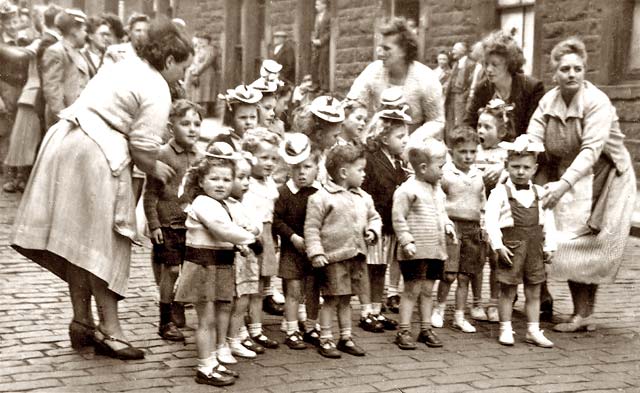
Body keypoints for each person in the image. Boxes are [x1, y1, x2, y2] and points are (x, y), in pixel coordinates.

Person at [11, 17, 194, 359]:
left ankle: (82, 323)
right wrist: (157, 167)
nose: (181, 76)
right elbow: (142, 148)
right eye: (182, 67)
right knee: (104, 244)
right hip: (96, 153)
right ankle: (111, 330)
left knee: (78, 242)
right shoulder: (156, 88)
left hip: (66, 139)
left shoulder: (126, 64)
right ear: (170, 60)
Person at [526, 38, 636, 333]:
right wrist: (518, 171)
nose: (572, 74)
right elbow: (533, 142)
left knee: (591, 242)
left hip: (607, 175)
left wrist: (561, 186)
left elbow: (591, 151)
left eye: (578, 68)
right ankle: (581, 313)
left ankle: (583, 313)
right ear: (555, 74)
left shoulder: (597, 102)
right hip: (571, 176)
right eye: (565, 69)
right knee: (569, 240)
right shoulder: (547, 103)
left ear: (585, 71)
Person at [175, 145, 254, 387]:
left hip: (219, 266)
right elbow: (222, 229)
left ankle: (211, 360)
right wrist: (248, 238)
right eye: (214, 179)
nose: (220, 184)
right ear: (202, 180)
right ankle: (204, 366)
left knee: (214, 315)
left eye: (226, 179)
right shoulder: (202, 203)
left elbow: (245, 224)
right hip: (202, 267)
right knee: (206, 320)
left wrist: (246, 235)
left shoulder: (227, 204)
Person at [305, 144, 382, 358]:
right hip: (333, 258)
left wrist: (373, 231)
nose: (364, 174)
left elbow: (375, 217)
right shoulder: (321, 197)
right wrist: (316, 252)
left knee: (347, 299)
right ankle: (326, 338)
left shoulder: (364, 197)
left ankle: (346, 337)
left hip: (356, 256)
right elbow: (312, 228)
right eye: (360, 170)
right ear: (344, 173)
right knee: (331, 299)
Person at [484, 135, 556, 348]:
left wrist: (550, 245)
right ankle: (505, 328)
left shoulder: (540, 193)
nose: (520, 171)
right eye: (515, 166)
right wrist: (498, 245)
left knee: (534, 290)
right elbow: (490, 221)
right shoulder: (500, 193)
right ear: (507, 166)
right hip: (511, 248)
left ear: (535, 168)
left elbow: (549, 221)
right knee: (508, 290)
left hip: (534, 248)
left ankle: (533, 330)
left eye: (526, 167)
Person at [143, 99, 204, 342]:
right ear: (171, 127)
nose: (192, 129)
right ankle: (165, 320)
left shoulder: (200, 156)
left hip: (189, 225)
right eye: (185, 123)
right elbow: (150, 195)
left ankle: (178, 303)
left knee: (189, 270)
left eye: (197, 124)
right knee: (170, 270)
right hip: (168, 225)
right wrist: (154, 224)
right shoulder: (162, 155)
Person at [392, 137, 455, 350]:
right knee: (411, 290)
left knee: (428, 290)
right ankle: (403, 330)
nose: (443, 171)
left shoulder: (436, 188)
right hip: (415, 250)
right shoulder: (407, 190)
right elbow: (398, 218)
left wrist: (447, 225)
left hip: (434, 250)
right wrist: (406, 240)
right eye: (440, 166)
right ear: (423, 167)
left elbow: (441, 212)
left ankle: (425, 329)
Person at [359, 102, 409, 333]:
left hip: (389, 224)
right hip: (374, 222)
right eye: (400, 136)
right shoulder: (372, 159)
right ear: (385, 137)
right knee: (370, 268)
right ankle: (366, 311)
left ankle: (377, 309)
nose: (405, 141)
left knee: (380, 268)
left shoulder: (397, 161)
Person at [348, 17, 444, 137]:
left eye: (386, 48)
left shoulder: (426, 78)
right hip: (380, 139)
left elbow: (437, 121)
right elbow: (353, 102)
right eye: (380, 47)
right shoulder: (373, 70)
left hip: (416, 143)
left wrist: (410, 143)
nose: (379, 52)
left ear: (404, 50)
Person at [433, 126, 486, 333]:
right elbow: (439, 201)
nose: (468, 156)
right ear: (451, 152)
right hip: (452, 227)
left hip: (472, 228)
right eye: (463, 152)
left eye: (472, 151)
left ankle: (460, 315)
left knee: (465, 275)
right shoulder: (445, 174)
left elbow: (482, 200)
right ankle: (438, 309)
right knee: (449, 274)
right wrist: (445, 222)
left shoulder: (478, 175)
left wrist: (483, 222)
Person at [273, 133, 321, 350]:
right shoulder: (284, 193)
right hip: (293, 249)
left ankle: (311, 326)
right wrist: (292, 236)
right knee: (292, 291)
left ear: (317, 167)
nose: (302, 172)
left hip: (315, 250)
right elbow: (276, 219)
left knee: (313, 289)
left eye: (307, 167)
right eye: (297, 168)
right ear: (289, 169)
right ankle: (292, 329)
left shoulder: (320, 193)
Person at [241, 128, 282, 349]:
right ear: (250, 156)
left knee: (260, 285)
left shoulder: (269, 182)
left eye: (273, 158)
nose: (269, 163)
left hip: (267, 236)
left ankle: (256, 329)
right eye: (264, 157)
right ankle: (242, 330)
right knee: (247, 287)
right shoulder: (246, 183)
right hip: (251, 237)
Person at [464, 30, 544, 141]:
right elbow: (469, 124)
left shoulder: (532, 88)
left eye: (495, 64)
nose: (489, 70)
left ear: (509, 64)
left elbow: (533, 130)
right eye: (486, 64)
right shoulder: (482, 88)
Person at [473, 99, 512, 323]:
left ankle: (494, 302)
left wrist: (502, 170)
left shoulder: (505, 155)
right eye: (479, 126)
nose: (481, 130)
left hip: (497, 214)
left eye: (487, 127)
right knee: (478, 259)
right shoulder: (473, 151)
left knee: (496, 258)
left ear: (501, 132)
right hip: (477, 211)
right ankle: (476, 301)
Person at [226, 153, 263, 359]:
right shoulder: (224, 205)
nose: (246, 182)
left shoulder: (248, 202)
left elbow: (258, 226)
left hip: (248, 261)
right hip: (234, 261)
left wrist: (253, 229)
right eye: (240, 177)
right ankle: (230, 339)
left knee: (244, 300)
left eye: (248, 177)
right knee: (233, 302)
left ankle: (236, 338)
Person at [41, 9, 89, 129]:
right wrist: (64, 118)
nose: (86, 34)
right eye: (83, 30)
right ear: (74, 31)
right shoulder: (56, 51)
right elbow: (52, 89)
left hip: (78, 117)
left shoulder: (78, 52)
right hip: (65, 121)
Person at [294, 95, 344, 184]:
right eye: (335, 136)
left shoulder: (324, 153)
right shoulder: (300, 156)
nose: (337, 140)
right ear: (319, 135)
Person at [214, 84, 262, 151]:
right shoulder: (221, 141)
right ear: (231, 118)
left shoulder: (261, 141)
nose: (248, 122)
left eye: (253, 117)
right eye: (243, 117)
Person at [444, 42, 475, 139]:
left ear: (463, 51)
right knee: (450, 122)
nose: (452, 52)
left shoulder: (471, 64)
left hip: (461, 99)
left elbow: (471, 84)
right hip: (451, 98)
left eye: (455, 49)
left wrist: (463, 96)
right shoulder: (455, 64)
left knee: (460, 123)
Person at [185, 33, 217, 116]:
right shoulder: (197, 49)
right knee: (196, 93)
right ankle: (195, 111)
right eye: (200, 40)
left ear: (208, 41)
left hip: (206, 73)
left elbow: (207, 62)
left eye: (203, 40)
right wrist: (194, 70)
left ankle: (204, 112)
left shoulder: (210, 49)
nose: (201, 42)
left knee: (205, 93)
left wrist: (197, 71)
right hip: (197, 72)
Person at [311, 0, 330, 93]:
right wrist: (313, 39)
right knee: (315, 64)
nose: (316, 6)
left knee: (323, 65)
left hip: (324, 45)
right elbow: (315, 30)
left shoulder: (328, 16)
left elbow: (330, 32)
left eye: (318, 5)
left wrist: (321, 41)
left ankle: (324, 87)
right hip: (316, 45)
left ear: (324, 5)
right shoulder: (317, 16)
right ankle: (316, 85)